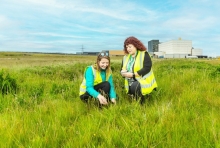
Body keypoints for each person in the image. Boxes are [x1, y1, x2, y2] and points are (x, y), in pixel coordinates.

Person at [120, 36, 157, 104]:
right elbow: (121, 69)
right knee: (133, 88)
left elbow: (147, 68)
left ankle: (141, 104)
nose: (128, 49)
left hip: (143, 81)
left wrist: (133, 75)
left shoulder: (144, 54)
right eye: (126, 47)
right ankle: (134, 97)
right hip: (129, 82)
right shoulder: (125, 57)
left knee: (135, 86)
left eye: (130, 47)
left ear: (136, 45)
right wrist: (122, 73)